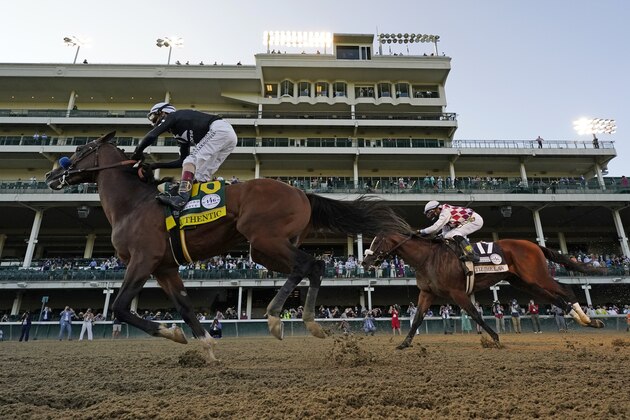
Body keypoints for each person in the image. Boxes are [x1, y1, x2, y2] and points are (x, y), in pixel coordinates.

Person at [132, 102, 238, 211]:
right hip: (229, 137)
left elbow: (152, 135)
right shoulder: (179, 134)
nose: (154, 122)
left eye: (155, 117)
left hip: (219, 129)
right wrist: (155, 165)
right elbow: (181, 161)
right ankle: (200, 206)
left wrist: (137, 153)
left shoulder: (173, 116)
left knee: (191, 160)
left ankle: (181, 198)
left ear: (163, 113)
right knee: (200, 175)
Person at [418, 200, 483, 263]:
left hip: (473, 219)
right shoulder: (443, 212)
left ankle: (471, 254)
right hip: (469, 219)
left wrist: (421, 231)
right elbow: (445, 233)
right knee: (447, 235)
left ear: (436, 209)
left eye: (431, 213)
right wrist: (439, 236)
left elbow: (435, 228)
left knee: (454, 233)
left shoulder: (445, 212)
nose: (432, 215)